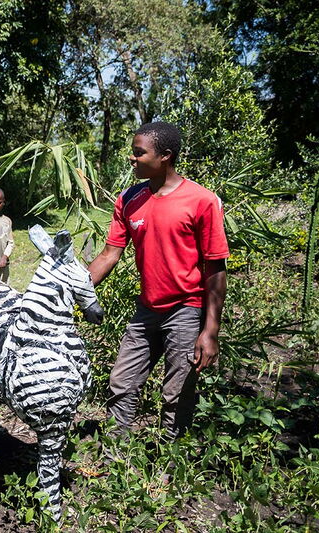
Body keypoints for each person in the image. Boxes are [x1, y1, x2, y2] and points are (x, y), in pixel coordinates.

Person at [87, 122, 229, 439]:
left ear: (165, 156)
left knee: (177, 394)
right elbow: (109, 255)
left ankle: (169, 467)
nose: (132, 159)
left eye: (139, 153)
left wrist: (210, 330)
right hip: (147, 310)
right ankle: (116, 465)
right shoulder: (129, 199)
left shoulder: (201, 201)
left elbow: (215, 268)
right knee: (122, 383)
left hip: (186, 310)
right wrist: (72, 290)